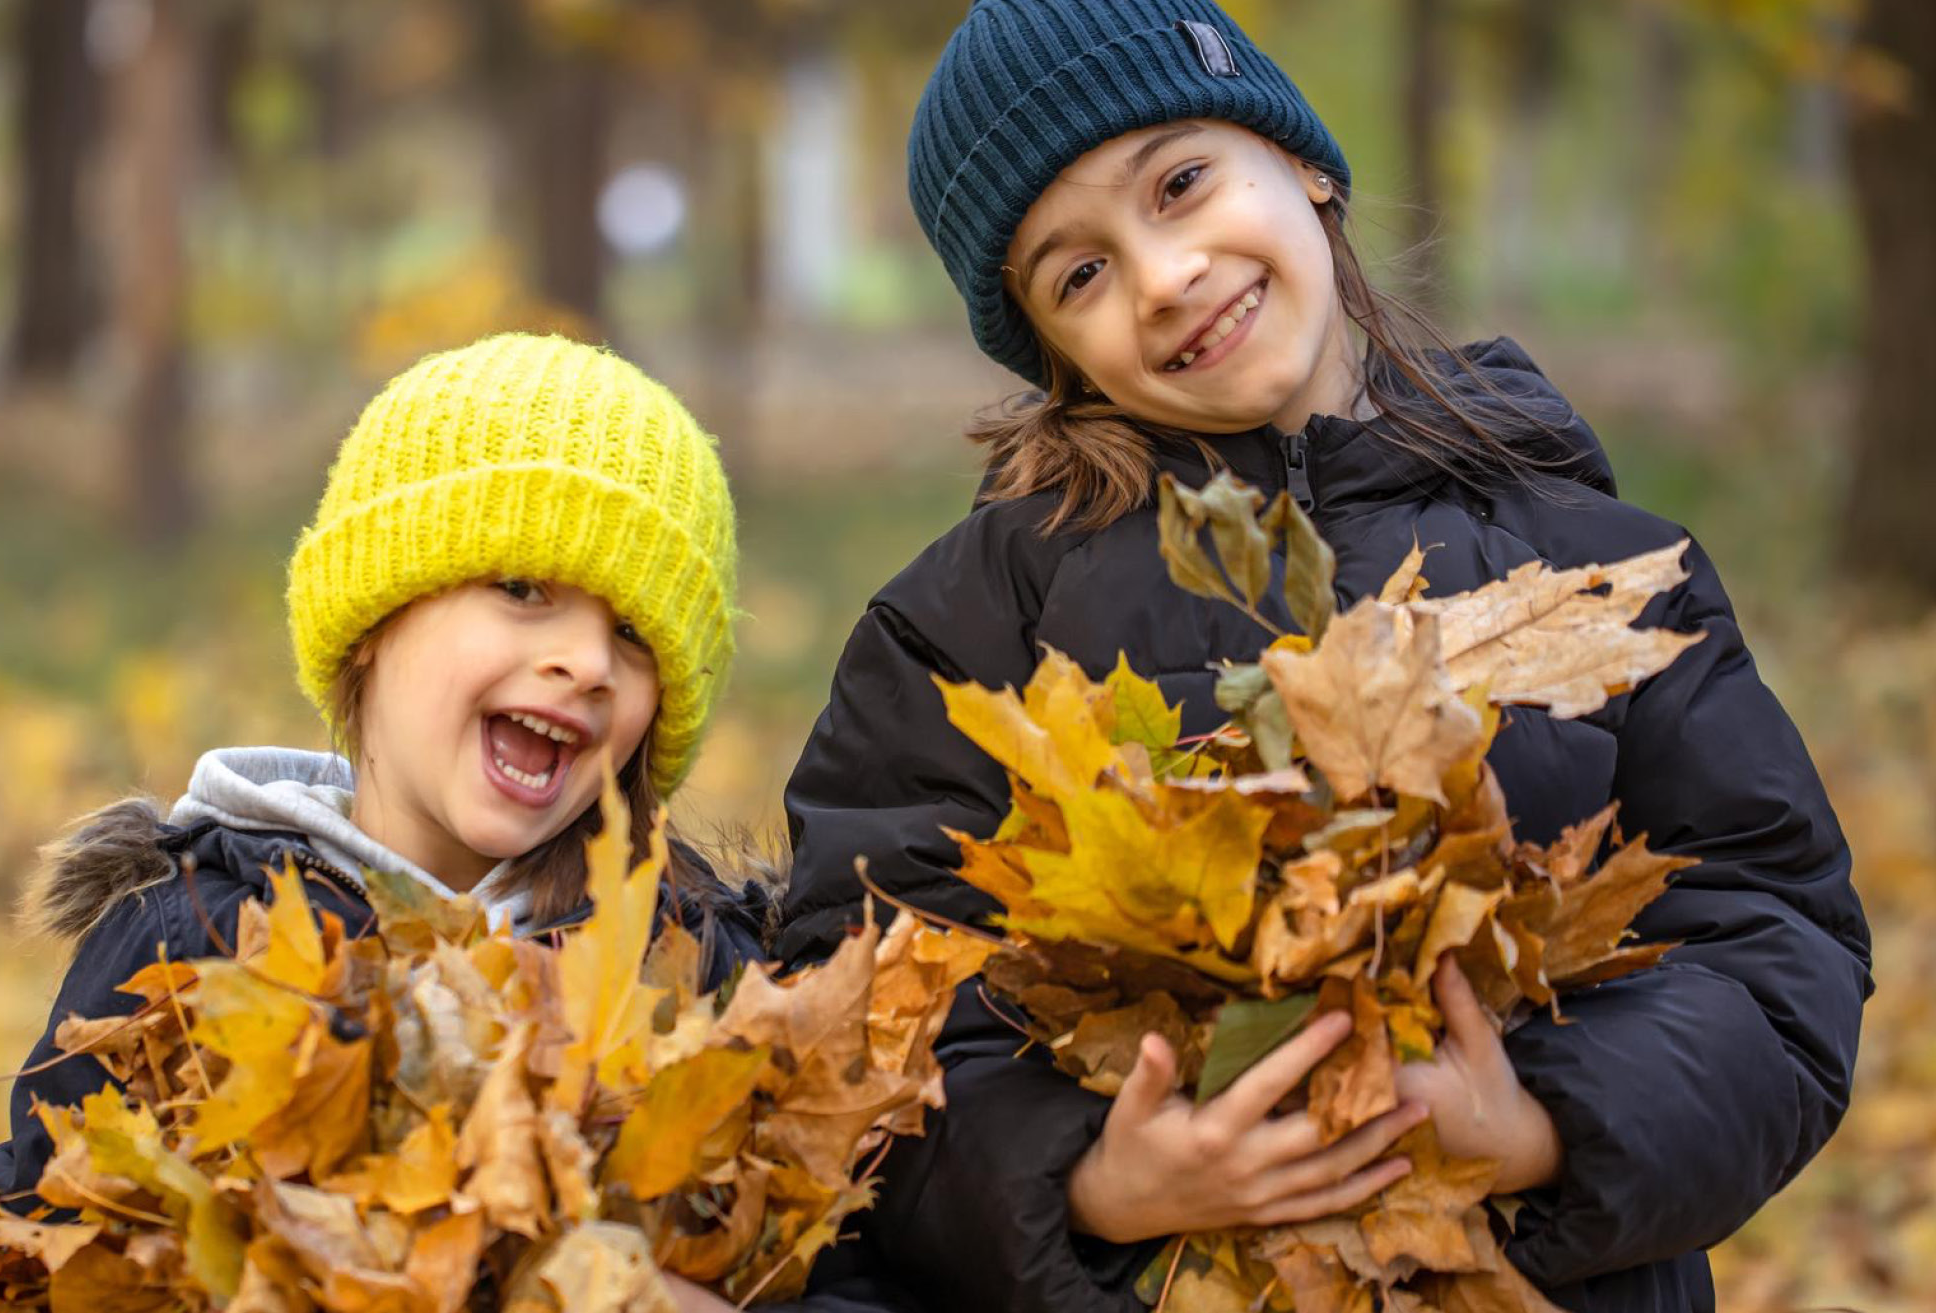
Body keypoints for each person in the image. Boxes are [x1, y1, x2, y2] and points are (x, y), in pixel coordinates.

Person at [772, 3, 1872, 1309]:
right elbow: (852, 1011)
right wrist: (1089, 1181)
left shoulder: (1595, 568)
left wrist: (1540, 1125)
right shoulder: (966, 635)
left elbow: (1773, 946)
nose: (1163, 277)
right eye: (1079, 275)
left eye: (1180, 185)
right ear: (1053, 353)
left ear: (1302, 162)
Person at [0, 332, 769, 1311]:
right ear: (377, 619)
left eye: (632, 635)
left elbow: (846, 1261)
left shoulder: (696, 967)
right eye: (520, 588)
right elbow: (30, 1260)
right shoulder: (190, 939)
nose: (586, 661)